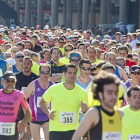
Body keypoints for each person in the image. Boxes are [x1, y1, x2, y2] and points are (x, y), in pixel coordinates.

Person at [40, 64, 88, 140]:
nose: (72, 75)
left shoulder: (82, 92)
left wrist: (85, 110)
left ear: (77, 74)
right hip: (56, 129)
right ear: (64, 74)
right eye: (69, 73)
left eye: (74, 73)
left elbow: (86, 114)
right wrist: (48, 113)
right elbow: (42, 102)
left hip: (74, 130)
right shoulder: (54, 89)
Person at [72, 71, 123, 140]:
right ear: (100, 94)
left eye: (116, 93)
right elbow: (76, 137)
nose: (113, 96)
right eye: (109, 93)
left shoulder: (121, 114)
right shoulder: (94, 113)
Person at [24, 63, 53, 140]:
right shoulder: (33, 84)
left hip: (47, 116)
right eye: (43, 72)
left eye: (47, 72)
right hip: (34, 117)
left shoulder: (52, 85)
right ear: (39, 73)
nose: (45, 74)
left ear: (50, 73)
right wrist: (26, 114)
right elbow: (23, 100)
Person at [0, 71, 31, 140]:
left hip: (13, 129)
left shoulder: (20, 95)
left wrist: (24, 122)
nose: (10, 83)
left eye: (13, 81)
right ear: (2, 81)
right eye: (8, 81)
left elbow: (28, 112)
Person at [15, 56, 38, 140]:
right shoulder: (16, 76)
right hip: (19, 107)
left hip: (31, 107)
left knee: (29, 132)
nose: (26, 65)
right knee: (19, 130)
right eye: (24, 64)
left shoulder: (36, 78)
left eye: (28, 64)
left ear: (32, 65)